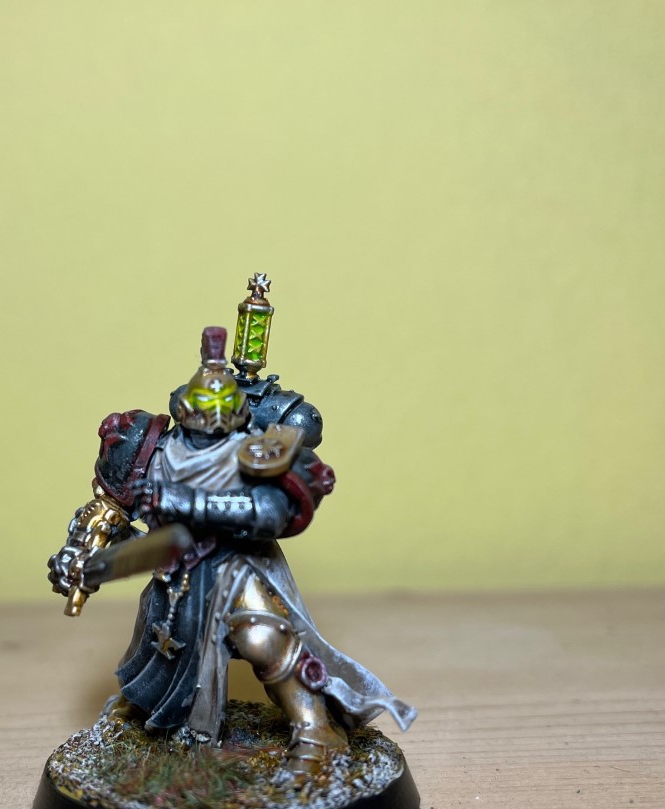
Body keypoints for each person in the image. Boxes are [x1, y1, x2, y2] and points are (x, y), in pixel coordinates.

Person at [48, 290, 414, 780]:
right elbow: (110, 512)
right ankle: (147, 710)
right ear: (183, 406)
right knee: (159, 639)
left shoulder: (255, 452)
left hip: (239, 565)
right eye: (201, 412)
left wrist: (187, 503)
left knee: (264, 639)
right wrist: (81, 555)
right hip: (173, 564)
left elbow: (269, 513)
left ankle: (315, 730)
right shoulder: (154, 449)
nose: (210, 424)